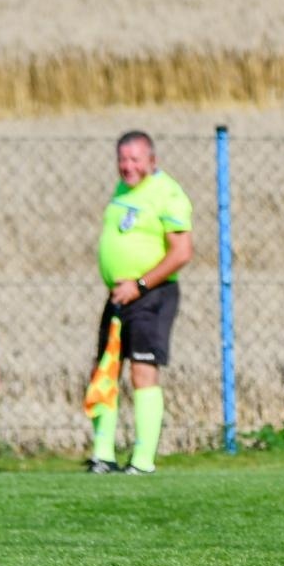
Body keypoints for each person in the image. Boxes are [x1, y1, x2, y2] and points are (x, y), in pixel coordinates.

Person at [85, 130, 192, 475]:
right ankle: (102, 456)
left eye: (135, 159)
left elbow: (181, 252)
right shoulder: (122, 189)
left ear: (152, 160)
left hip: (152, 295)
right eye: (122, 159)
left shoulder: (168, 194)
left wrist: (140, 284)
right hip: (119, 294)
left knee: (142, 371)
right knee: (106, 369)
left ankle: (142, 461)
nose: (127, 166)